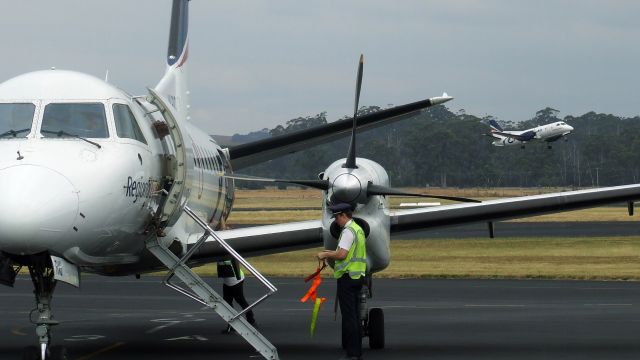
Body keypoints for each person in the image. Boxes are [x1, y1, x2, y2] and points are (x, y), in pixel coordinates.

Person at [317, 202, 367, 360]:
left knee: (349, 317)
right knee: (356, 316)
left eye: (337, 217)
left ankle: (352, 354)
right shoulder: (357, 229)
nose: (336, 221)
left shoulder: (347, 232)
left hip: (347, 278)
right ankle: (357, 352)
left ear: (343, 215)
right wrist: (330, 252)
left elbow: (342, 255)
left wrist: (325, 255)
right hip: (357, 277)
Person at [218, 257, 256, 334]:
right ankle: (232, 324)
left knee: (239, 299)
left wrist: (238, 276)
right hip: (227, 280)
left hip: (236, 279)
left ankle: (251, 320)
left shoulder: (226, 252)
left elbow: (235, 261)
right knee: (227, 302)